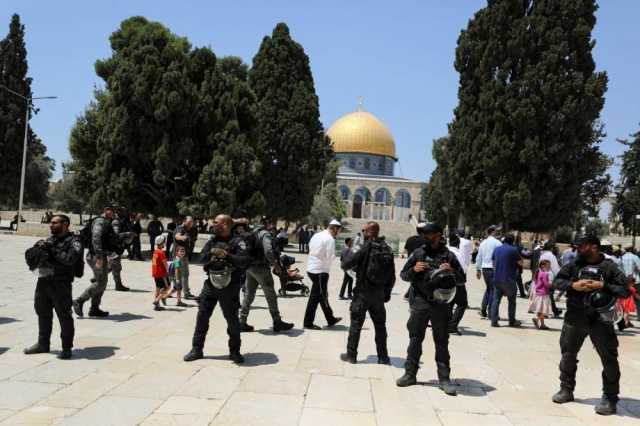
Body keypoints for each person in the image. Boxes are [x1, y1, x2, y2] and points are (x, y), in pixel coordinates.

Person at [551, 234, 629, 416]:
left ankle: (610, 397)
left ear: (594, 247)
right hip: (574, 317)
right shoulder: (574, 265)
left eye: (581, 246)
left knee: (608, 358)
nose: (578, 249)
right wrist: (574, 285)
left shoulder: (609, 267)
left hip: (600, 320)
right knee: (568, 354)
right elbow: (556, 282)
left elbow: (625, 290)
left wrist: (603, 285)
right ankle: (566, 389)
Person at [396, 223, 465, 395]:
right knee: (415, 338)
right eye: (424, 233)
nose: (426, 236)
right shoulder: (419, 253)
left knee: (441, 341)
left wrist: (452, 271)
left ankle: (444, 379)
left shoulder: (448, 255)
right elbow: (404, 275)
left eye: (429, 233)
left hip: (441, 304)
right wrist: (414, 269)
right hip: (420, 301)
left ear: (439, 234)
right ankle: (410, 374)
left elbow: (462, 279)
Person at [183, 214, 252, 363]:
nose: (213, 224)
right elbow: (201, 259)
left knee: (232, 319)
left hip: (229, 286)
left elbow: (244, 261)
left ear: (225, 225)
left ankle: (234, 351)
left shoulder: (238, 242)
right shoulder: (212, 240)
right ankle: (197, 349)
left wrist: (227, 256)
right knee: (202, 316)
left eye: (216, 222)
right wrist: (212, 256)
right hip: (211, 284)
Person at [24, 215, 82, 359]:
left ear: (65, 224)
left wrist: (52, 249)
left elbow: (69, 260)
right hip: (43, 281)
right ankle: (43, 344)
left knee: (64, 315)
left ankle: (67, 347)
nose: (51, 225)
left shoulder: (75, 241)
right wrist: (36, 250)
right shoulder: (51, 240)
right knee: (42, 312)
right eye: (51, 223)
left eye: (55, 223)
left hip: (61, 284)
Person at [340, 221, 395, 364]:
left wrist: (346, 256)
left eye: (364, 230)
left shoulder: (366, 248)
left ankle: (351, 355)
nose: (363, 232)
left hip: (362, 294)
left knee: (356, 325)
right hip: (378, 295)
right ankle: (383, 357)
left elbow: (346, 265)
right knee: (380, 327)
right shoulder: (387, 249)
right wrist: (386, 293)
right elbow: (392, 276)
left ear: (370, 232)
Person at [239, 217, 294, 333]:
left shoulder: (252, 233)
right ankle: (277, 321)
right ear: (267, 224)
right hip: (261, 269)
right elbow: (268, 251)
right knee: (271, 295)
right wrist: (275, 264)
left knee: (248, 295)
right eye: (271, 223)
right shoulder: (265, 234)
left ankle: (242, 322)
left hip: (250, 268)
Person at [73, 206, 122, 317]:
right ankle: (79, 301)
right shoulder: (100, 221)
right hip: (96, 256)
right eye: (112, 210)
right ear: (106, 210)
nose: (114, 213)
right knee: (100, 283)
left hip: (99, 255)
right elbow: (96, 238)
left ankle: (94, 308)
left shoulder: (107, 222)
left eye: (115, 211)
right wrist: (99, 256)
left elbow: (111, 238)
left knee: (102, 282)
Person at [303, 220, 343, 330]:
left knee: (321, 296)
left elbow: (310, 248)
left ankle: (330, 318)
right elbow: (330, 256)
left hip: (311, 269)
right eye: (338, 231)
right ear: (334, 228)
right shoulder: (330, 239)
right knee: (315, 298)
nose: (338, 233)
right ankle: (308, 323)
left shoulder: (317, 235)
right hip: (320, 271)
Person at [490, 233, 523, 327]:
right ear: (512, 241)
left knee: (496, 301)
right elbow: (520, 263)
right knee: (512, 301)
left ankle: (494, 321)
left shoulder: (497, 249)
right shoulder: (514, 250)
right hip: (509, 279)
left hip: (497, 279)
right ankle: (511, 321)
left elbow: (493, 264)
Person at [475, 226, 502, 318]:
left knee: (489, 289)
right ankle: (491, 312)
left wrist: (478, 269)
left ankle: (483, 310)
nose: (498, 233)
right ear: (493, 232)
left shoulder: (483, 243)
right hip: (493, 269)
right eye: (497, 231)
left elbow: (479, 257)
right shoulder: (498, 243)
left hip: (484, 269)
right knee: (493, 290)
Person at [447, 233, 468, 335]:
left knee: (449, 302)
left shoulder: (444, 251)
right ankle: (452, 326)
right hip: (456, 282)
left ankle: (445, 323)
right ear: (458, 244)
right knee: (462, 304)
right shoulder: (458, 253)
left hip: (444, 282)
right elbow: (463, 270)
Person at [108, 208, 133, 292]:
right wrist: (127, 234)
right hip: (114, 248)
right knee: (116, 266)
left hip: (117, 247)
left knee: (112, 266)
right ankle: (118, 285)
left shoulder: (121, 221)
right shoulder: (116, 222)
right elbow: (116, 235)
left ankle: (98, 278)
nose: (124, 213)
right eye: (122, 212)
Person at [540, 241, 563, 318]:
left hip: (542, 276)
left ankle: (553, 310)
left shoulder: (542, 255)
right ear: (551, 248)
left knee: (548, 295)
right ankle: (550, 311)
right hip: (549, 278)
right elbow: (556, 269)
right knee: (549, 295)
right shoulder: (551, 256)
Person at [174, 217, 195, 299]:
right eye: (189, 223)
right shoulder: (180, 228)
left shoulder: (185, 229)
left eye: (192, 223)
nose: (191, 224)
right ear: (184, 221)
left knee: (181, 275)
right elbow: (177, 236)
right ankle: (186, 293)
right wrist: (183, 237)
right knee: (183, 274)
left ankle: (175, 291)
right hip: (180, 256)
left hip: (183, 255)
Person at [529, 259, 553, 330]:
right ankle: (536, 319)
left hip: (538, 293)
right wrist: (551, 284)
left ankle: (542, 324)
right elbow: (546, 284)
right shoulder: (545, 274)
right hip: (544, 294)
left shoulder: (539, 272)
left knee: (540, 310)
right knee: (544, 310)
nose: (549, 267)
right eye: (548, 266)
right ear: (543, 266)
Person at [151, 235, 171, 311]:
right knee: (167, 287)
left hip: (155, 273)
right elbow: (165, 263)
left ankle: (157, 306)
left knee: (158, 288)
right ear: (161, 243)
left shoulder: (155, 252)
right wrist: (168, 271)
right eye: (164, 242)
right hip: (162, 273)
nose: (164, 243)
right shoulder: (161, 252)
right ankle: (157, 300)